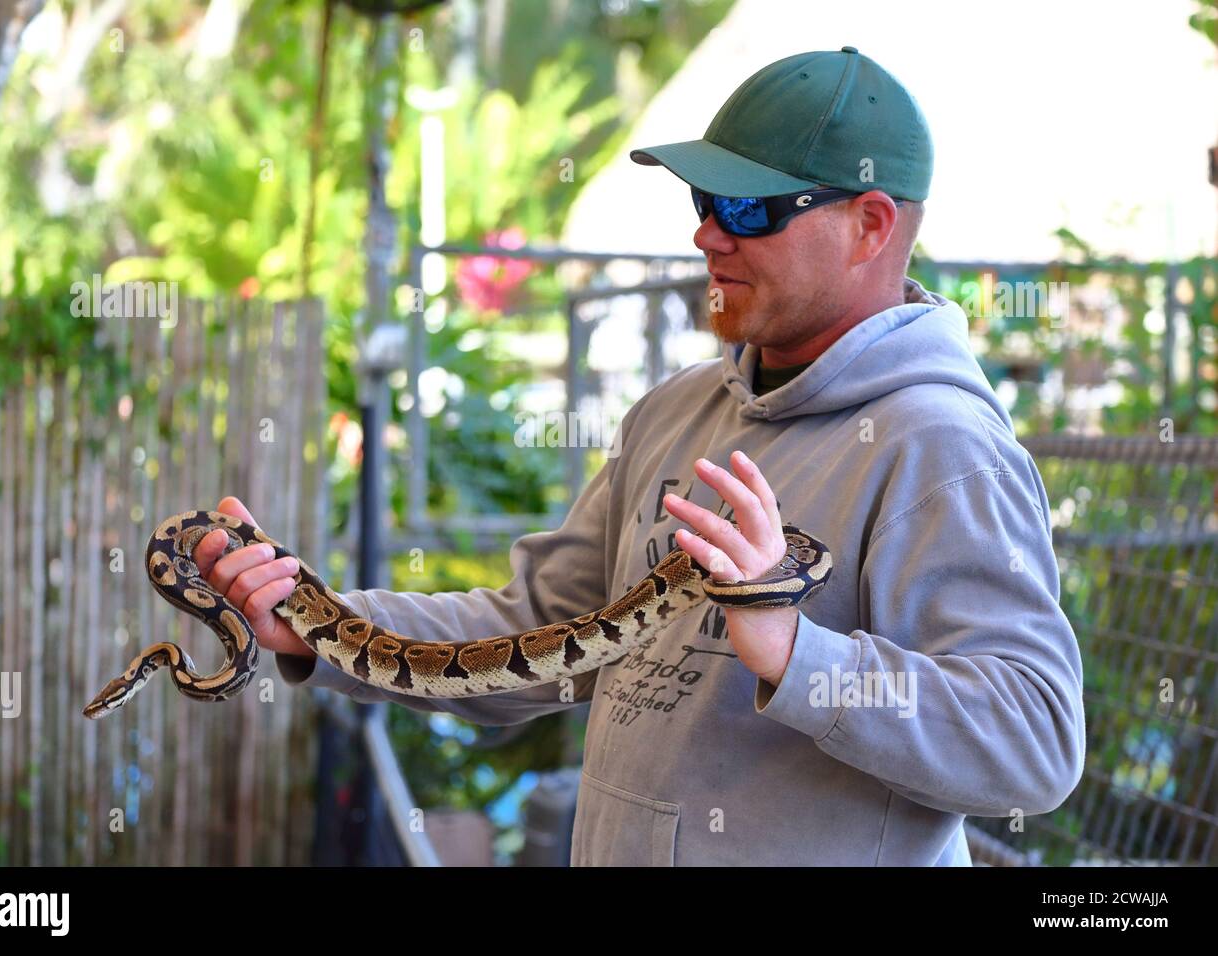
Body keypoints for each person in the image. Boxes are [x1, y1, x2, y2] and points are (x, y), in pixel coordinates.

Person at [192, 47, 1085, 866]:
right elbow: (539, 631)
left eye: (747, 208)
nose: (707, 235)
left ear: (870, 223)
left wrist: (795, 654)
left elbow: (1034, 743)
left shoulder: (942, 448)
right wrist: (317, 621)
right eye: (702, 202)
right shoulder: (676, 411)